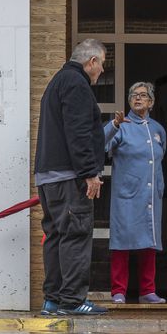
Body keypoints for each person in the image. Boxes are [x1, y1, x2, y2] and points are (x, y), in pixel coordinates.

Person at [34, 39, 109, 316]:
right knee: (75, 235)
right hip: (69, 177)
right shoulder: (77, 84)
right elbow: (77, 132)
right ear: (91, 62)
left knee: (55, 236)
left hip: (48, 177)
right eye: (101, 64)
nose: (101, 71)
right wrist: (89, 172)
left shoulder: (56, 82)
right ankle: (73, 301)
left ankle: (53, 300)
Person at [103, 82, 167, 304]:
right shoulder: (122, 125)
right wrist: (113, 124)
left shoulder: (158, 129)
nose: (138, 99)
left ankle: (147, 290)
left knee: (149, 241)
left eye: (143, 96)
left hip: (150, 195)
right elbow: (101, 144)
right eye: (133, 95)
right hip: (127, 194)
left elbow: (160, 157)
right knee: (122, 241)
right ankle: (118, 290)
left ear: (151, 102)